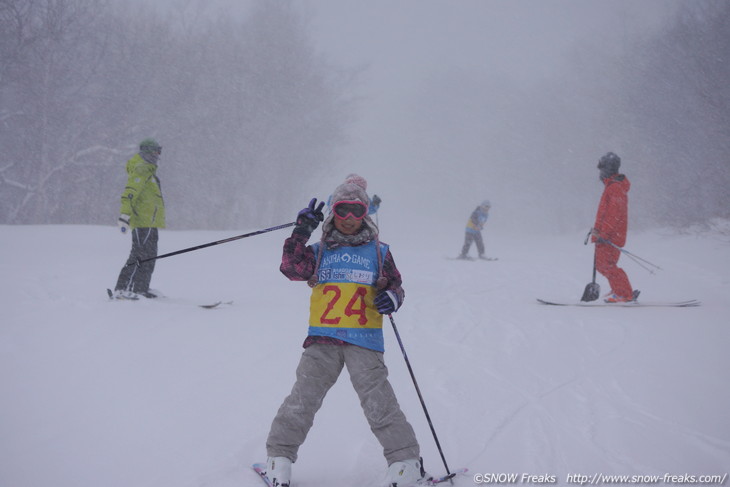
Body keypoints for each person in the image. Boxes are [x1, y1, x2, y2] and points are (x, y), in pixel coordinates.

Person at [264, 177, 426, 487]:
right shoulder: (319, 250)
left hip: (364, 341)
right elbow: (291, 268)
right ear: (333, 211)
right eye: (342, 209)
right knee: (303, 400)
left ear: (365, 212)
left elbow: (395, 285)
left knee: (380, 403)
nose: (350, 218)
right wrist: (300, 232)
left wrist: (391, 297)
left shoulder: (379, 252)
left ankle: (404, 463)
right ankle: (279, 458)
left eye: (357, 210)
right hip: (322, 340)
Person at [112, 138, 165, 299]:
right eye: (155, 151)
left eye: (159, 152)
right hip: (142, 222)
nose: (158, 155)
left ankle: (140, 289)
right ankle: (123, 288)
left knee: (150, 256)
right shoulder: (141, 170)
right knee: (139, 254)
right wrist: (124, 215)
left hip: (150, 222)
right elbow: (129, 193)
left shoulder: (149, 171)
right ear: (147, 152)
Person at [590, 151, 636, 303]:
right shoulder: (612, 187)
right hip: (608, 234)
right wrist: (597, 230)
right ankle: (619, 290)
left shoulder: (614, 188)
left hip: (610, 235)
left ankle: (624, 293)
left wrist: (603, 233)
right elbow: (606, 213)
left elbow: (613, 215)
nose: (600, 173)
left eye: (601, 168)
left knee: (605, 265)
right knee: (605, 264)